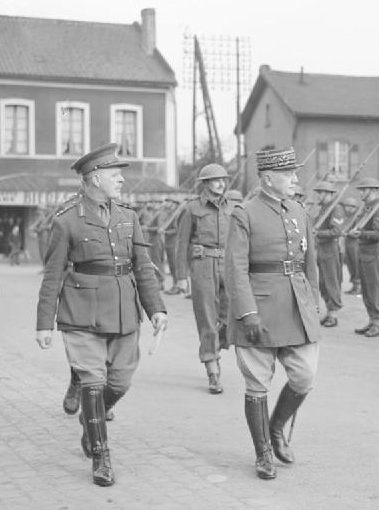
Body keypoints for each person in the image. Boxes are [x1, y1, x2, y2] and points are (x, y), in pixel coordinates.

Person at [35, 142, 167, 487]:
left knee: (120, 381)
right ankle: (100, 454)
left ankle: (90, 422)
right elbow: (53, 274)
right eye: (114, 174)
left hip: (124, 312)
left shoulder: (129, 217)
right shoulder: (67, 222)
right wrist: (44, 323)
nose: (121, 180)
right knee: (92, 382)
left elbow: (143, 268)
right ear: (94, 178)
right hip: (82, 314)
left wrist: (157, 310)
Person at [225, 147, 321, 480]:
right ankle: (263, 452)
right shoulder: (245, 213)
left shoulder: (299, 210)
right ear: (268, 178)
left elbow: (311, 264)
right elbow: (235, 268)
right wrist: (247, 311)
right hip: (260, 308)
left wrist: (314, 303)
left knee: (305, 374)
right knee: (257, 382)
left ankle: (276, 428)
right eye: (289, 174)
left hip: (297, 306)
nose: (296, 179)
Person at [174, 163, 232, 394]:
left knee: (231, 317)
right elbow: (181, 244)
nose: (221, 183)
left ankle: (217, 345)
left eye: (223, 180)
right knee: (207, 317)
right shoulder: (192, 209)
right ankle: (212, 369)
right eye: (216, 180)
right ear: (205, 183)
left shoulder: (233, 207)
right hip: (203, 265)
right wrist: (180, 276)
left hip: (227, 266)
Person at [349, 177, 379, 337]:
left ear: (373, 191)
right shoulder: (367, 208)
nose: (361, 193)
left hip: (373, 254)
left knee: (374, 289)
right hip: (364, 252)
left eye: (364, 190)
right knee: (366, 290)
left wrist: (361, 234)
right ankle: (372, 320)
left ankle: (378, 323)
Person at [313, 180, 344, 327]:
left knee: (331, 283)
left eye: (320, 193)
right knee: (323, 283)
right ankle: (329, 312)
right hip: (322, 250)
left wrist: (318, 233)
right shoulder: (324, 209)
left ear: (329, 194)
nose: (318, 195)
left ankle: (334, 315)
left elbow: (336, 231)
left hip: (330, 250)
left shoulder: (335, 209)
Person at [341, 197, 362, 296]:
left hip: (355, 243)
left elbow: (358, 231)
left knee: (356, 265)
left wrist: (348, 232)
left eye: (350, 207)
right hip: (348, 242)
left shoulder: (358, 218)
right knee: (350, 265)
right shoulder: (346, 217)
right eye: (346, 206)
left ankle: (358, 286)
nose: (347, 209)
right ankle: (354, 285)